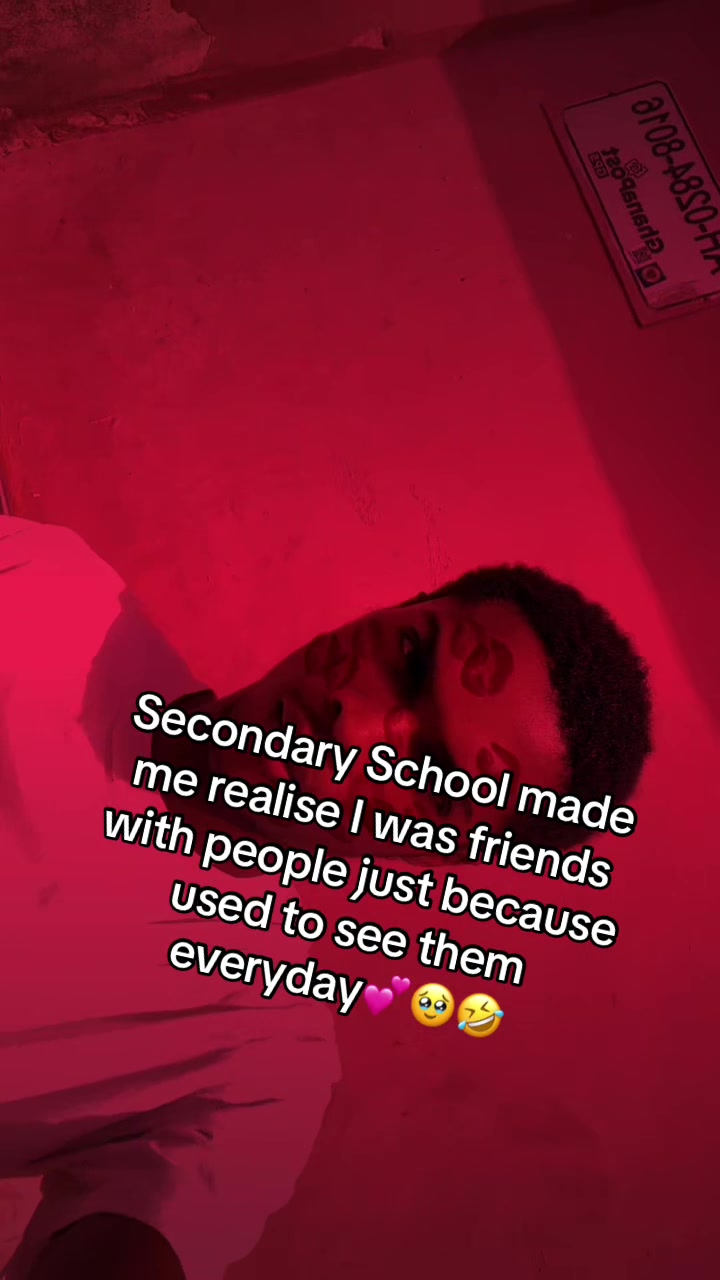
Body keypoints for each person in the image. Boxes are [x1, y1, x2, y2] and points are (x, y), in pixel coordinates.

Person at [0, 516, 652, 1280]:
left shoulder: (253, 1067)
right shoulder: (45, 587)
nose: (358, 726)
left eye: (435, 775)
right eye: (408, 656)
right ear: (399, 608)